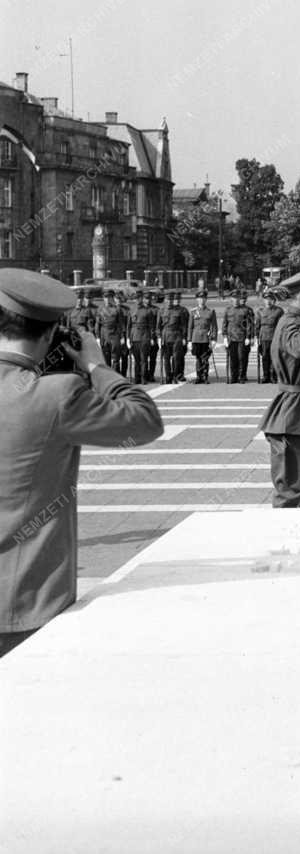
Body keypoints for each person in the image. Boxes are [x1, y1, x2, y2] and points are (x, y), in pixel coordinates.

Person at [0, 269, 163, 657]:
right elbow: (144, 421)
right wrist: (96, 367)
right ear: (52, 333)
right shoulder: (54, 395)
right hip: (23, 602)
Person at [258, 266, 300, 508]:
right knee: (290, 491)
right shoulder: (290, 323)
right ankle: (281, 542)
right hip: (293, 413)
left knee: (299, 486)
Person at [188, 289, 218, 384]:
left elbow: (214, 327)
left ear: (206, 300)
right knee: (198, 358)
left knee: (205, 359)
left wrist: (213, 339)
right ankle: (198, 376)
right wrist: (189, 340)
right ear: (197, 299)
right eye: (200, 298)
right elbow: (190, 327)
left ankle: (205, 376)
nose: (202, 300)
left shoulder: (210, 312)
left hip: (206, 339)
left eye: (204, 298)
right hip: (196, 338)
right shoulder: (193, 312)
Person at [224, 291, 254, 384]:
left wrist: (248, 337)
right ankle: (234, 377)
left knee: (242, 357)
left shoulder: (245, 310)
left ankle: (241, 377)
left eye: (237, 298)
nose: (236, 300)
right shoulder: (227, 310)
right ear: (231, 299)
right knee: (233, 358)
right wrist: (225, 337)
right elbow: (225, 324)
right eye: (233, 298)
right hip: (231, 338)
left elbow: (249, 324)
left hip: (242, 337)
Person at [159, 291, 188, 384]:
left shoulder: (180, 311)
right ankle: (168, 376)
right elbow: (158, 326)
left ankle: (176, 376)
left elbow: (183, 325)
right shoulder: (161, 310)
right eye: (168, 299)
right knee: (166, 358)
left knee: (176, 358)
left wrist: (184, 337)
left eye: (171, 299)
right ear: (165, 300)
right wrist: (159, 337)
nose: (170, 301)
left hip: (176, 336)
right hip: (165, 336)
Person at [95, 288, 126, 372]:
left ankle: (116, 376)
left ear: (112, 298)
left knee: (116, 358)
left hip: (114, 335)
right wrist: (97, 338)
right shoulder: (100, 309)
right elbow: (98, 324)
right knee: (106, 358)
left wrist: (122, 337)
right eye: (105, 297)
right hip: (104, 335)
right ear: (103, 298)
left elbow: (121, 324)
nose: (107, 299)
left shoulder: (117, 309)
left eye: (109, 297)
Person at [255, 292, 283, 383]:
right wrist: (256, 338)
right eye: (266, 299)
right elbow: (257, 326)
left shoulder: (279, 311)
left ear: (274, 300)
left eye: (270, 299)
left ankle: (273, 376)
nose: (268, 301)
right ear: (264, 300)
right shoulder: (260, 311)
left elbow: (281, 325)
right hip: (264, 337)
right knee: (265, 357)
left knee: (274, 357)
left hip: (274, 337)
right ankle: (265, 375)